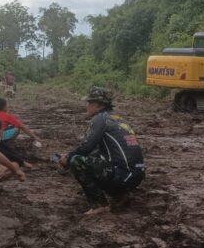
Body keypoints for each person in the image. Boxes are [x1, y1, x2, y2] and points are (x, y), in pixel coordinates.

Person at [59, 87, 145, 215]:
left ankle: (100, 205)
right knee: (96, 155)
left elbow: (87, 146)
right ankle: (120, 195)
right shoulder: (118, 118)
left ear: (99, 105)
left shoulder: (100, 119)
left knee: (77, 161)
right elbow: (95, 150)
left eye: (89, 103)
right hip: (136, 176)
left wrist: (68, 157)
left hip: (122, 176)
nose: (86, 106)